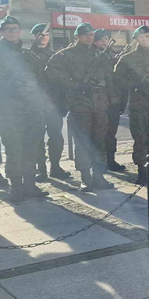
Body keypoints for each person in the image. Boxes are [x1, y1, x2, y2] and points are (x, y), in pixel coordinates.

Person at [46, 23, 115, 191]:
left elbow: (109, 80)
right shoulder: (66, 55)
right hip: (79, 104)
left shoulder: (101, 56)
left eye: (91, 34)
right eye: (85, 35)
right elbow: (51, 72)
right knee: (83, 142)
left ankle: (99, 177)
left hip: (100, 104)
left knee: (99, 141)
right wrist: (74, 84)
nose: (89, 37)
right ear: (77, 36)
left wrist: (113, 100)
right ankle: (86, 178)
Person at [114, 26, 149, 184]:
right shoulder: (127, 58)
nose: (145, 39)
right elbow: (117, 79)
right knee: (140, 138)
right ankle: (142, 171)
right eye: (142, 37)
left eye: (147, 36)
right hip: (139, 105)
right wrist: (133, 85)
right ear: (136, 39)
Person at [0, 16, 48, 201]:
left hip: (32, 111)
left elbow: (41, 83)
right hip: (9, 112)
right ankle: (16, 187)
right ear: (2, 32)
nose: (12, 32)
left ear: (20, 31)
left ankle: (30, 185)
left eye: (15, 28)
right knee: (13, 149)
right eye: (8, 29)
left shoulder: (29, 55)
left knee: (31, 148)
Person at [29, 23, 69, 180]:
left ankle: (55, 166)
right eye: (40, 34)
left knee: (56, 137)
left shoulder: (56, 56)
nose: (43, 37)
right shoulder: (27, 55)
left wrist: (63, 103)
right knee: (37, 137)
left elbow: (63, 81)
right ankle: (41, 169)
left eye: (46, 34)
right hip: (35, 104)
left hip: (54, 103)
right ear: (34, 36)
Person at [94, 30, 126, 172]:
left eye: (106, 38)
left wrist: (122, 100)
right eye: (101, 39)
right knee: (99, 133)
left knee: (111, 133)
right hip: (99, 100)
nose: (104, 41)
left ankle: (111, 160)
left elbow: (119, 80)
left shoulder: (111, 56)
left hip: (114, 100)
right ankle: (99, 163)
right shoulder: (93, 57)